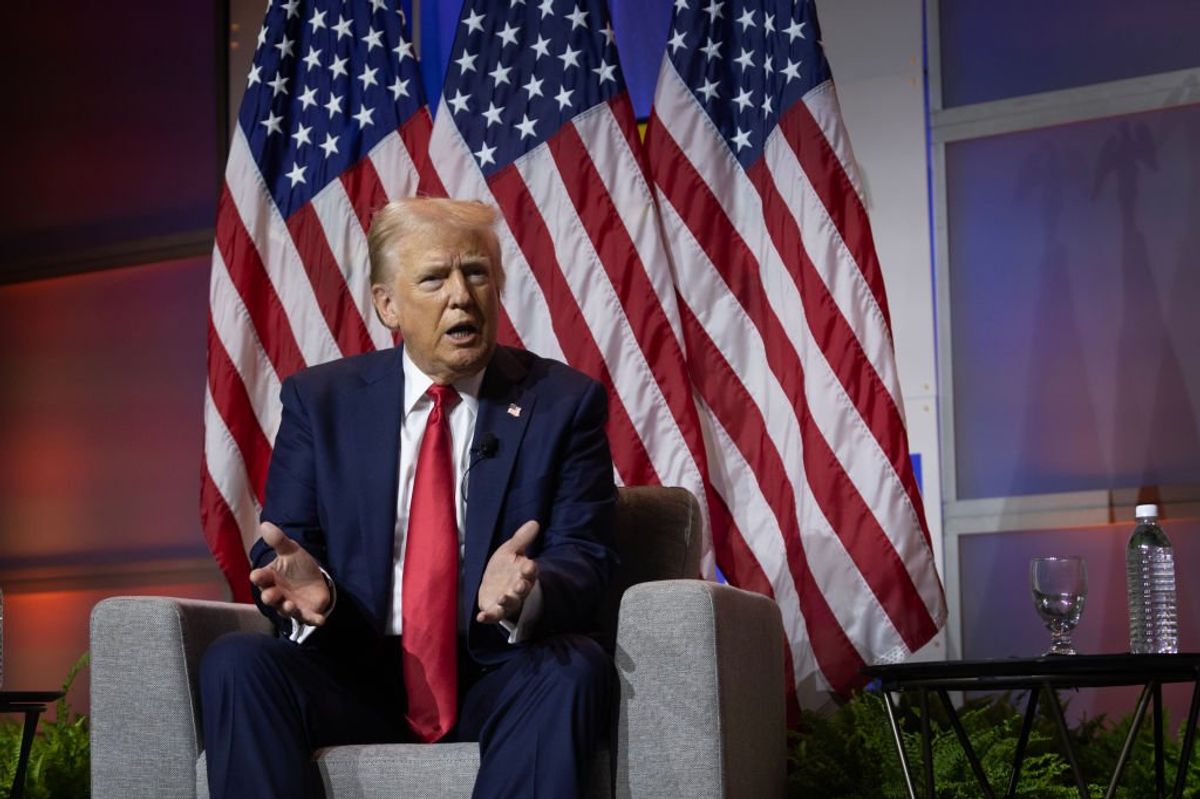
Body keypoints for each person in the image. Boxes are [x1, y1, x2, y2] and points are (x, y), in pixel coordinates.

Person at [199, 197, 618, 799]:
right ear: (388, 304)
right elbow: (286, 549)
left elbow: (588, 553)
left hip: (496, 671)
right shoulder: (321, 403)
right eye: (434, 278)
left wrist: (533, 589)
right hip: (355, 672)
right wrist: (310, 590)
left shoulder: (562, 403)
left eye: (476, 272)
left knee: (573, 667)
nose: (461, 295)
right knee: (237, 663)